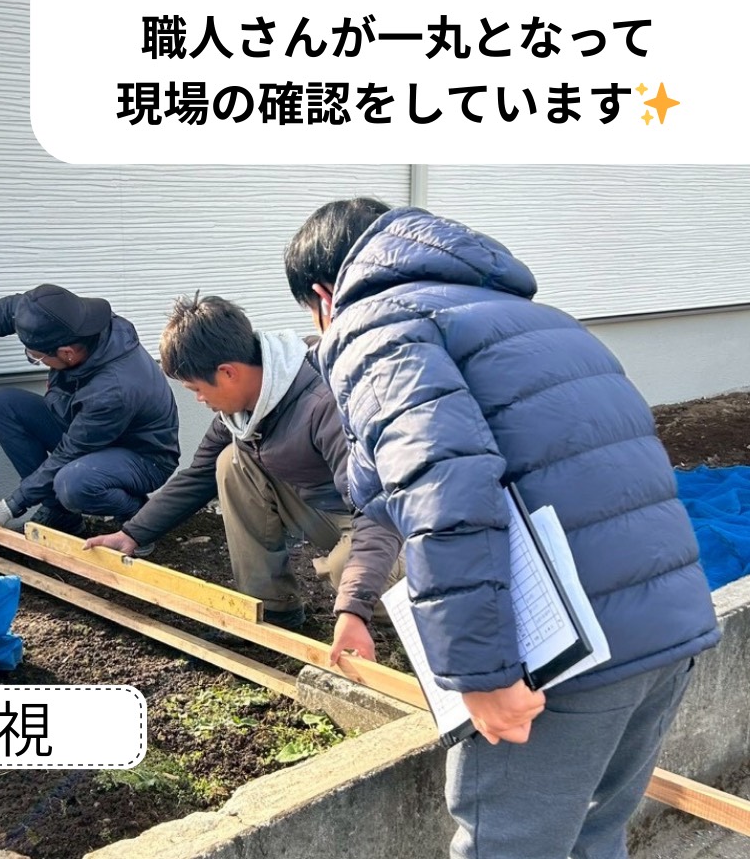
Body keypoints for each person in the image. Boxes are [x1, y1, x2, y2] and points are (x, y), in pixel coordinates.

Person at [283, 198, 720, 859]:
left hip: (568, 657)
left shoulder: (374, 328)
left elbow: (443, 493)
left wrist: (482, 674)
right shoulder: (544, 320)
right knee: (595, 836)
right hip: (668, 628)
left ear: (324, 296)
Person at [84, 294, 404, 628]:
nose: (199, 399)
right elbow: (199, 475)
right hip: (335, 509)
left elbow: (377, 512)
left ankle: (422, 614)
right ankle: (274, 610)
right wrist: (133, 533)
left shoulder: (324, 402)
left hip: (395, 523)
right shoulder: (243, 411)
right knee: (231, 462)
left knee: (347, 570)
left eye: (197, 389)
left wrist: (352, 604)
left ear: (227, 373)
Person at [0, 284, 180, 534]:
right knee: (5, 405)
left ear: (67, 353)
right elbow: (4, 313)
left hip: (143, 457)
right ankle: (60, 513)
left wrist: (11, 506)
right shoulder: (63, 320)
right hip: (89, 429)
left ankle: (138, 518)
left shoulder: (112, 389)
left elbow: (70, 453)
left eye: (37, 357)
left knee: (72, 484)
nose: (36, 360)